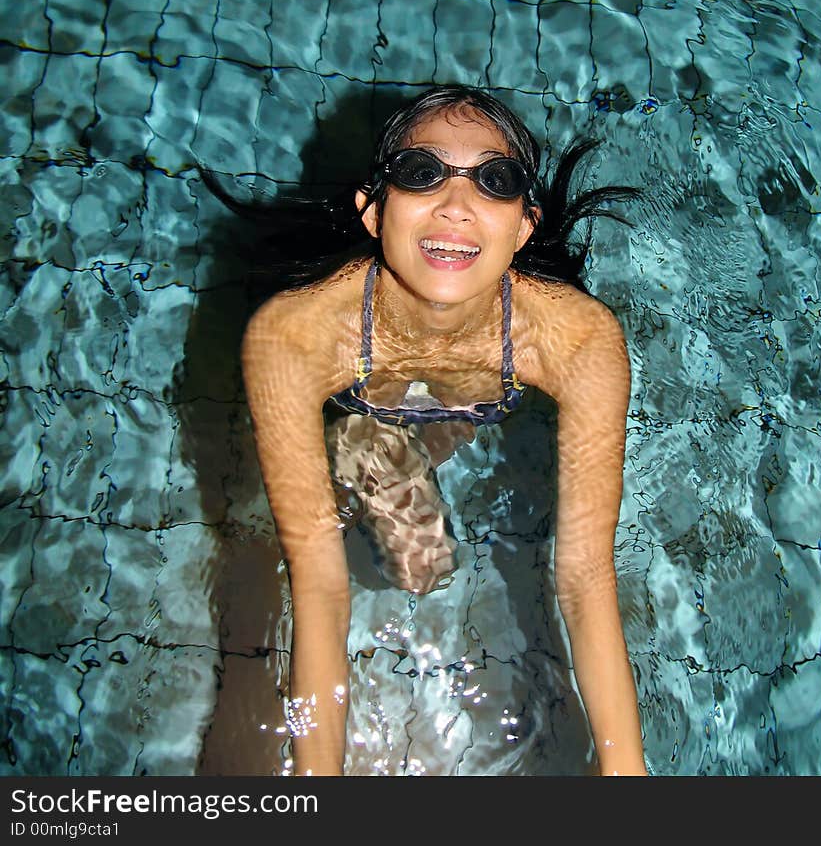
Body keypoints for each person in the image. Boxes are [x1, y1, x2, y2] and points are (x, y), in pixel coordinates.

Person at [228, 85, 647, 777]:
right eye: (421, 173)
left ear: (524, 225)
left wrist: (627, 772)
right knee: (420, 564)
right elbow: (321, 584)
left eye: (494, 180)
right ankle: (379, 449)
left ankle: (406, 445)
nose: (456, 204)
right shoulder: (293, 336)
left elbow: (584, 574)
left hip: (476, 395)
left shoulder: (578, 340)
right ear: (373, 210)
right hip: (360, 401)